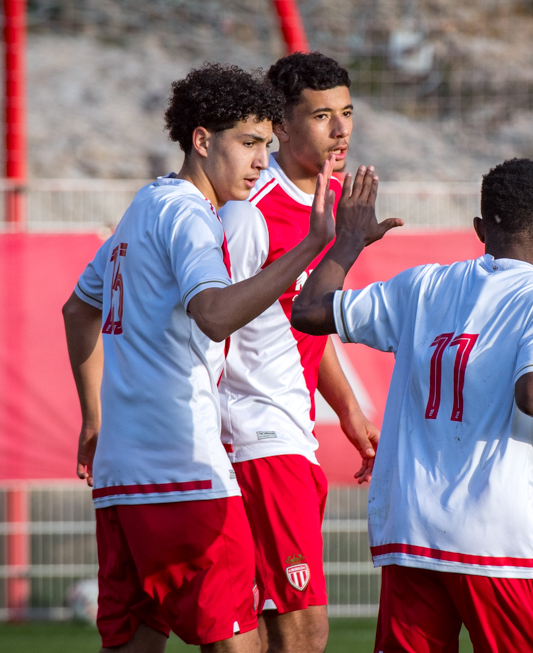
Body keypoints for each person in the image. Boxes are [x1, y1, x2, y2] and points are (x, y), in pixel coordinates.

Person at [291, 158, 533, 652]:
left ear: (479, 228)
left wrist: (348, 241)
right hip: (494, 540)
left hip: (410, 531)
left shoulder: (421, 285)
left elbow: (308, 310)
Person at [62, 63, 338, 653]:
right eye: (249, 143)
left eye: (266, 145)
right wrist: (310, 247)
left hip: (119, 481)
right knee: (237, 642)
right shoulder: (190, 215)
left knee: (135, 641)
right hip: (185, 474)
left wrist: (93, 419)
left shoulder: (143, 207)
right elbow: (213, 314)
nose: (261, 161)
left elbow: (77, 309)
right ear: (203, 140)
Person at [217, 52, 377, 653]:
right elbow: (214, 321)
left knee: (263, 623)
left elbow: (300, 321)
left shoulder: (328, 199)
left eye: (347, 113)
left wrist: (349, 411)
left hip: (290, 431)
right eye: (321, 116)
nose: (340, 130)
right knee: (303, 628)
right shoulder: (251, 210)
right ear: (281, 126)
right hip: (258, 435)